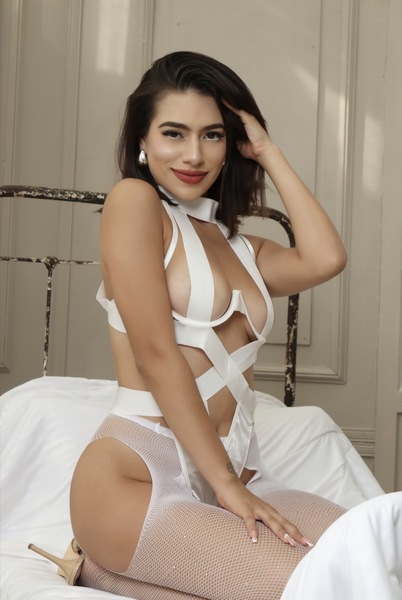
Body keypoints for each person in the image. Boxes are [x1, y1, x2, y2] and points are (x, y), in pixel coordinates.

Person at [29, 51, 349, 599]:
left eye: (213, 135)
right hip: (136, 478)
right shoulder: (134, 202)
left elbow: (327, 258)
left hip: (238, 470)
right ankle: (106, 558)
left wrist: (268, 151)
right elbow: (156, 354)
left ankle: (103, 574)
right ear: (143, 140)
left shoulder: (241, 246)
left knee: (374, 559)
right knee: (313, 586)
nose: (194, 155)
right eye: (173, 133)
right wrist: (225, 486)